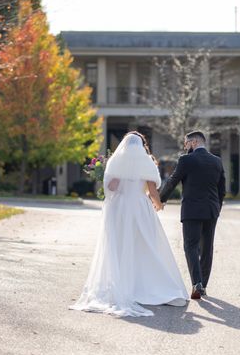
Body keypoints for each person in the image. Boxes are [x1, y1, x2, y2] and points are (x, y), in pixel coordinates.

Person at [70, 132, 188, 317]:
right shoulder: (146, 161)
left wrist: (117, 172)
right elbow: (152, 189)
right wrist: (158, 205)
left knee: (118, 246)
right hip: (139, 207)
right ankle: (144, 286)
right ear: (142, 145)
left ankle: (122, 284)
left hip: (119, 208)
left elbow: (111, 187)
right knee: (145, 245)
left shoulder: (116, 162)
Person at [159, 131, 226, 300]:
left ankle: (196, 283)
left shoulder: (186, 160)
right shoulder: (217, 161)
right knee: (207, 248)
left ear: (194, 142)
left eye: (186, 143)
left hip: (192, 211)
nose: (184, 146)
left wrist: (160, 199)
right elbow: (222, 190)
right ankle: (202, 285)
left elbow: (173, 180)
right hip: (211, 211)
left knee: (190, 246)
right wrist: (216, 208)